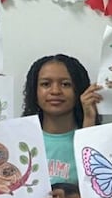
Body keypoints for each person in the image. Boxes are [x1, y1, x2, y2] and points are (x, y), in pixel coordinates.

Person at [22, 53, 100, 189]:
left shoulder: (98, 139)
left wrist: (89, 118)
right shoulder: (19, 141)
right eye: (46, 84)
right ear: (34, 91)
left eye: (65, 84)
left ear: (79, 90)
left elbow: (101, 191)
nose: (56, 91)